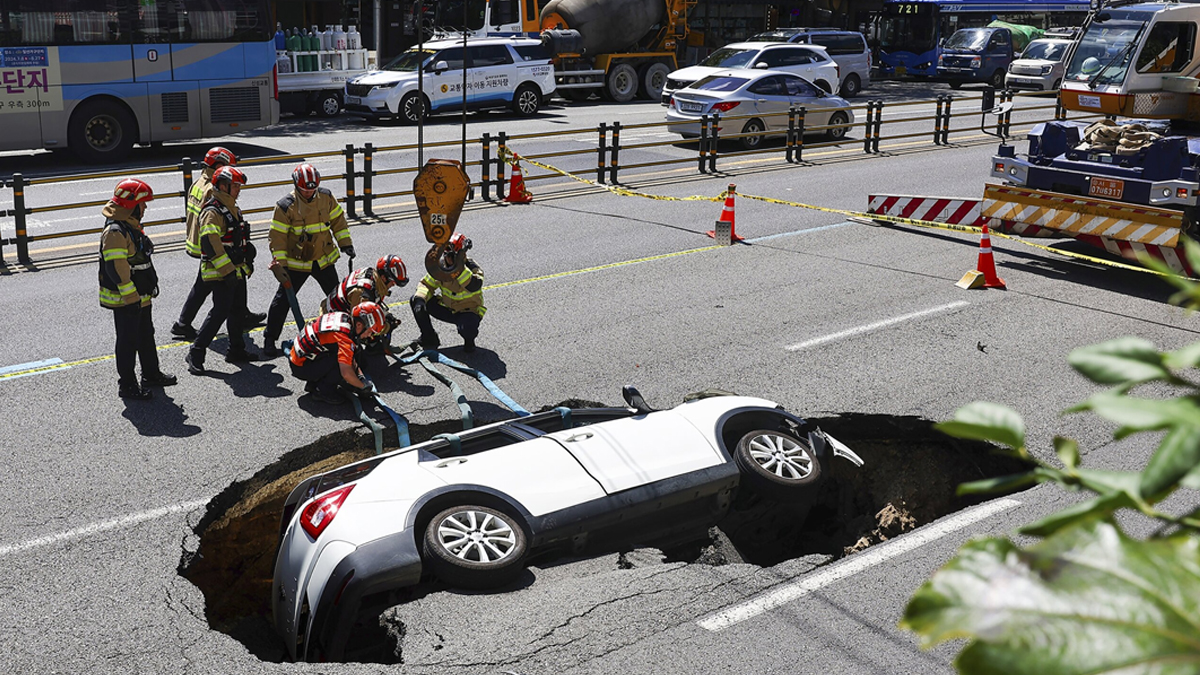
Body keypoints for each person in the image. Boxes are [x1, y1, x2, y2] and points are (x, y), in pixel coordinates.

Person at [172, 147, 265, 340]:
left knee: (205, 285)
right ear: (219, 165)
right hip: (211, 245)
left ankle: (240, 313)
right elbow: (213, 224)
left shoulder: (198, 182)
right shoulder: (211, 190)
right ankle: (185, 325)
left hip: (196, 240)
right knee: (209, 286)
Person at [263, 163, 354, 357]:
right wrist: (281, 266)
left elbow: (338, 221)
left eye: (312, 189)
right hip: (297, 264)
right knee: (283, 301)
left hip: (323, 260)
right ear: (296, 185)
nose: (309, 192)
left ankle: (344, 333)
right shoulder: (285, 206)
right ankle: (269, 339)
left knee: (337, 300)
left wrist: (346, 243)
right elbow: (277, 238)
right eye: (305, 189)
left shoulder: (326, 197)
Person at [98, 178, 177, 400]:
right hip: (126, 299)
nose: (146, 207)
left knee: (145, 335)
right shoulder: (115, 231)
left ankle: (151, 374)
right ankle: (127, 385)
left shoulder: (129, 226)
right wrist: (131, 296)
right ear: (130, 205)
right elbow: (117, 268)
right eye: (143, 203)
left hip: (139, 295)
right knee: (127, 341)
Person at [185, 166, 260, 375]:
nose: (239, 189)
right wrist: (227, 271)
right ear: (223, 186)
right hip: (220, 272)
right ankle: (196, 352)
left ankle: (236, 350)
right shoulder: (213, 211)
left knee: (237, 311)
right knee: (219, 312)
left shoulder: (232, 207)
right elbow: (210, 243)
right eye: (235, 186)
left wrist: (246, 254)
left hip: (235, 270)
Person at [288, 301, 388, 405]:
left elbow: (352, 355)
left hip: (303, 358)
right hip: (301, 366)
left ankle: (314, 382)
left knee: (353, 353)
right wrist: (362, 387)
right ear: (359, 325)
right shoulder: (344, 339)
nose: (370, 336)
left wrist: (361, 377)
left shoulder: (344, 317)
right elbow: (346, 373)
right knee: (339, 364)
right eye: (370, 331)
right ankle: (323, 391)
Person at [410, 233, 485, 353]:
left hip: (468, 312)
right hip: (448, 309)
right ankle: (429, 337)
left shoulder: (471, 267)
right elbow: (426, 284)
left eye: (451, 255)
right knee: (415, 300)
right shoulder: (441, 267)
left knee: (468, 328)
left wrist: (458, 269)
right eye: (445, 254)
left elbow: (474, 285)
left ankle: (469, 341)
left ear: (461, 255)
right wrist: (420, 300)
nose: (447, 259)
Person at [322, 255, 408, 351]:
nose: (393, 285)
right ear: (384, 278)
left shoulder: (374, 278)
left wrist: (385, 315)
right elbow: (362, 323)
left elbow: (373, 304)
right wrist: (387, 327)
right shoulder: (363, 293)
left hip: (345, 308)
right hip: (333, 320)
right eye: (393, 282)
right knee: (363, 350)